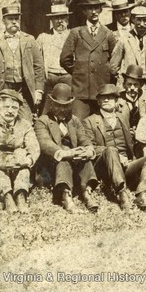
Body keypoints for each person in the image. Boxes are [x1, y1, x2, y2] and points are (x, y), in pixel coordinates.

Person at [81, 84, 146, 210]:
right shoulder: (89, 121)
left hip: (125, 165)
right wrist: (114, 154)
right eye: (103, 98)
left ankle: (142, 194)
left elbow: (131, 144)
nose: (106, 100)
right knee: (111, 150)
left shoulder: (123, 118)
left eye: (110, 97)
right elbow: (90, 148)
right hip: (104, 167)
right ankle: (122, 193)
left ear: (116, 101)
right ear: (99, 101)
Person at [33, 83, 100, 212]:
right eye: (58, 106)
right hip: (52, 164)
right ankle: (66, 196)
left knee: (84, 157)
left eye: (66, 106)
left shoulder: (74, 120)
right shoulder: (42, 121)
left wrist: (88, 149)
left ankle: (86, 193)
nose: (62, 110)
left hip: (73, 161)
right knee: (63, 159)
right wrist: (65, 153)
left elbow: (84, 138)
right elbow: (45, 143)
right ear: (51, 105)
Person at [0, 4, 45, 120]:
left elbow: (39, 68)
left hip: (24, 89)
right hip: (3, 87)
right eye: (10, 19)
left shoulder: (29, 40)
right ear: (3, 21)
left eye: (16, 19)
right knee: (1, 120)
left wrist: (39, 90)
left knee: (26, 120)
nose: (14, 22)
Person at [60, 0, 118, 120]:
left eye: (96, 8)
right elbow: (65, 59)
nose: (93, 12)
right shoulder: (76, 33)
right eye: (90, 8)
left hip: (102, 91)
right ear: (84, 11)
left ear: (100, 10)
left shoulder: (108, 34)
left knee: (102, 125)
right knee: (78, 125)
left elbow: (115, 60)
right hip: (81, 90)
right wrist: (79, 72)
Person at [110, 5, 146, 93]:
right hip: (128, 88)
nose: (141, 24)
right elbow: (113, 67)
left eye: (145, 20)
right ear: (133, 20)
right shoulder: (124, 40)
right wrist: (123, 80)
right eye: (138, 20)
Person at [36, 3, 72, 101]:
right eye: (56, 18)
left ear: (67, 19)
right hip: (50, 77)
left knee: (68, 104)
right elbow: (35, 59)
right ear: (51, 20)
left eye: (62, 17)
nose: (60, 21)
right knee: (48, 105)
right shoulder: (43, 37)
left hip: (68, 76)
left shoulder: (74, 35)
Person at [116, 64, 146, 130]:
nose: (132, 88)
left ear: (140, 86)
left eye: (136, 85)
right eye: (129, 84)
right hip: (124, 132)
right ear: (124, 85)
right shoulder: (119, 98)